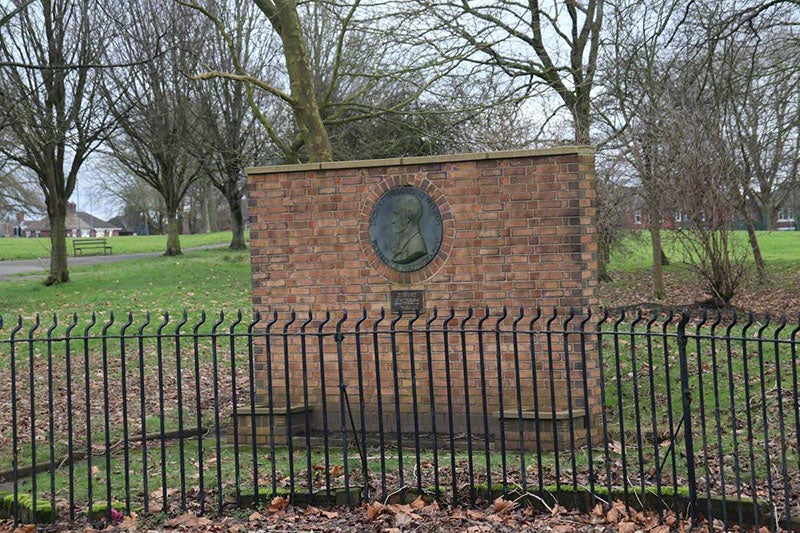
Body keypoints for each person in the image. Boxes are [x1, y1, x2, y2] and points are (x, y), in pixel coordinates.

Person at [390, 194, 427, 264]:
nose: (393, 221)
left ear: (408, 218)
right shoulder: (400, 244)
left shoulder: (417, 248)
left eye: (396, 214)